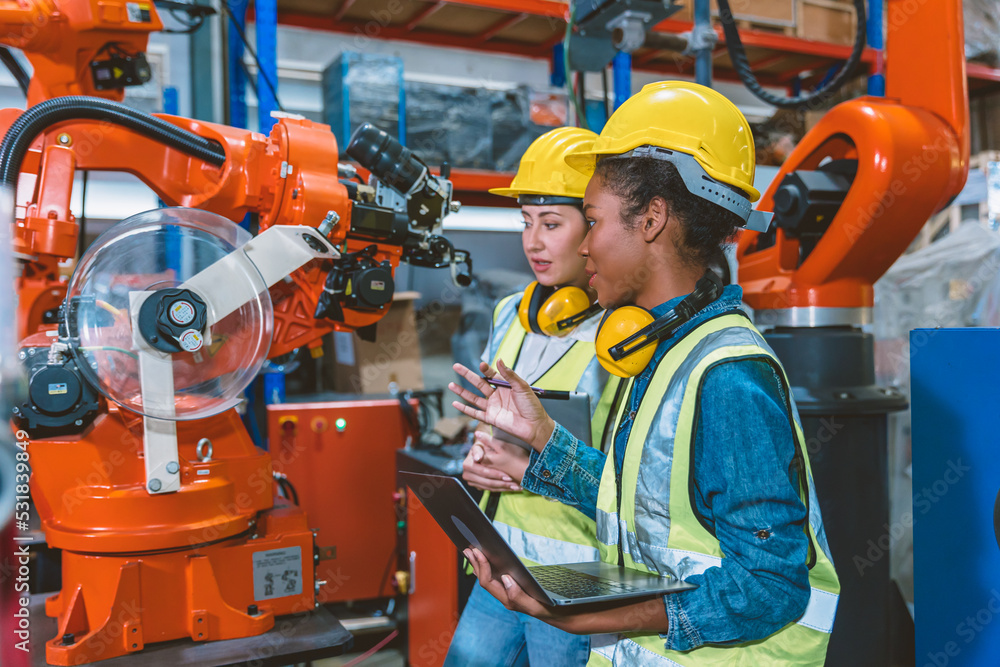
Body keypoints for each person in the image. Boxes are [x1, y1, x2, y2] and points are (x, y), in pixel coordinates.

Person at [448, 82, 840, 666]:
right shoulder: (657, 351)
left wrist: (575, 611)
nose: (583, 249)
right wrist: (546, 439)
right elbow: (641, 509)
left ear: (652, 218)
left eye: (590, 219)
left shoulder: (728, 375)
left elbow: (769, 589)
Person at [444, 126, 619, 667]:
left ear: (591, 227)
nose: (533, 242)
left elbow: (628, 479)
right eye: (525, 222)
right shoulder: (510, 315)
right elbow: (492, 426)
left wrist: (528, 469)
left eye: (551, 223)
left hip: (576, 575)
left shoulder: (621, 336)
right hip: (500, 559)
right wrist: (474, 459)